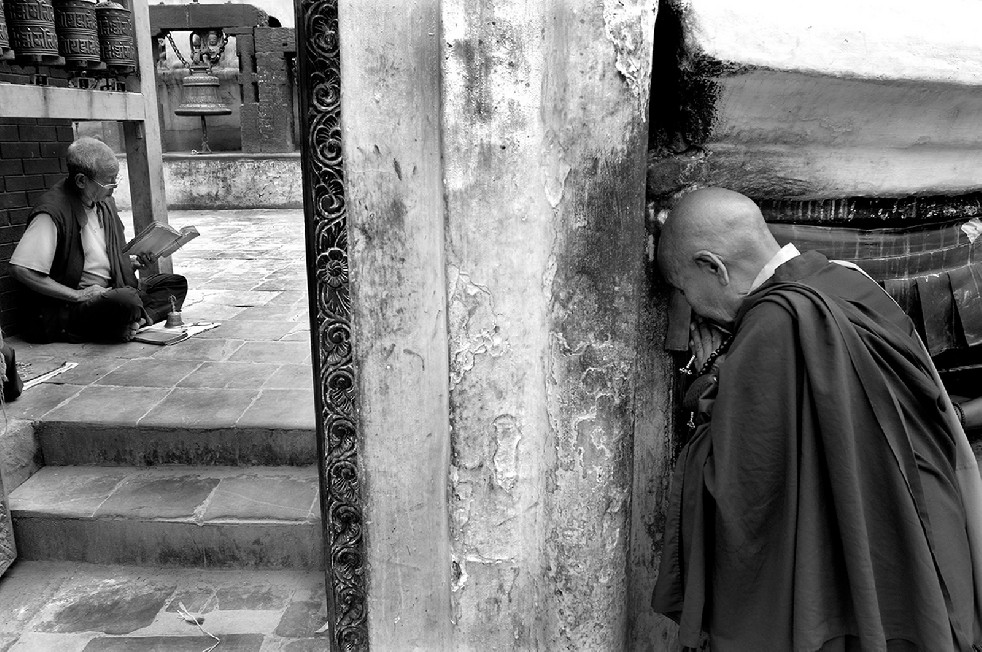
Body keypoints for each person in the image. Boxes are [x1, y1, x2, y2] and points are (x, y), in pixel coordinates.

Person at [651, 187, 982, 650]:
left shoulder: (777, 322)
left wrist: (707, 392)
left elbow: (738, 486)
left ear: (713, 267)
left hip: (858, 555)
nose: (695, 308)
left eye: (685, 290)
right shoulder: (854, 284)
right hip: (926, 531)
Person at [9, 137, 187, 343]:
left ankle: (135, 323)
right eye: (108, 181)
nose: (114, 187)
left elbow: (102, 256)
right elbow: (20, 269)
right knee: (125, 300)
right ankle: (124, 321)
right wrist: (78, 296)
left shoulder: (103, 203)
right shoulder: (52, 212)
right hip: (73, 304)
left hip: (110, 290)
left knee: (175, 283)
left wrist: (130, 264)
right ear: (81, 181)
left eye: (115, 179)